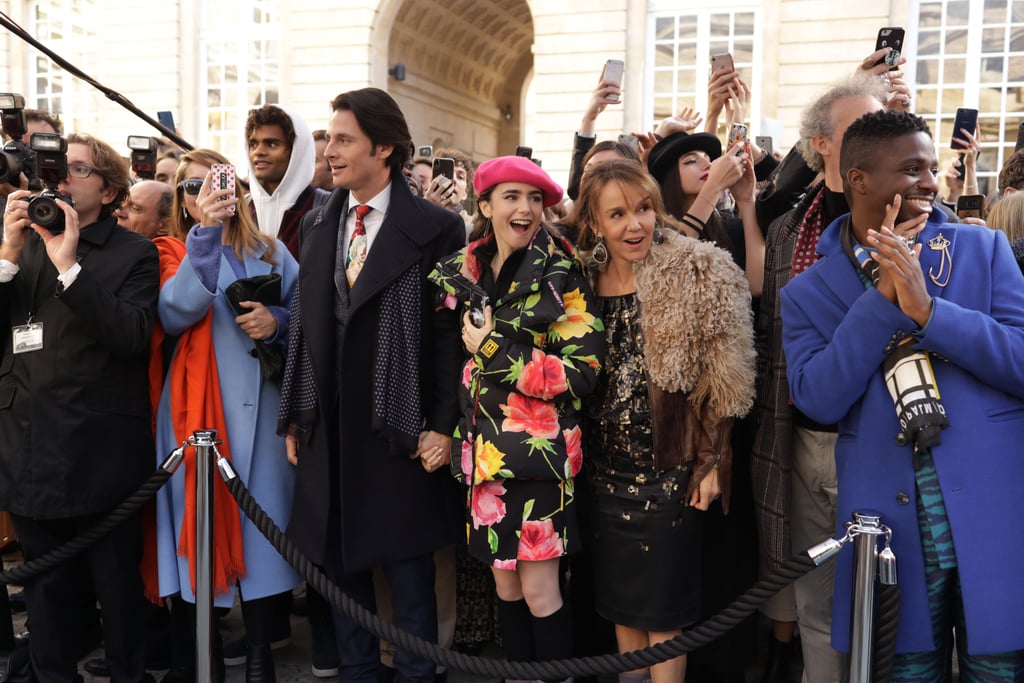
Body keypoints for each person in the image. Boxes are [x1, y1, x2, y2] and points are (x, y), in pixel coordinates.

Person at [781, 109, 1024, 679]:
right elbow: (817, 399)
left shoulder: (981, 251)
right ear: (858, 179)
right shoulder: (807, 291)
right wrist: (882, 300)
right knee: (907, 671)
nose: (931, 184)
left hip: (994, 511)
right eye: (912, 169)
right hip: (887, 529)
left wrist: (929, 312)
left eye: (933, 168)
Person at [277, 87, 465, 683]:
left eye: (342, 139)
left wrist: (440, 424)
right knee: (338, 576)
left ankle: (414, 675)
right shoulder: (317, 221)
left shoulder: (437, 228)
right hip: (327, 424)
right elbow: (308, 325)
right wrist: (298, 413)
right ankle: (357, 673)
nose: (328, 151)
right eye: (329, 138)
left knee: (408, 577)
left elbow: (446, 338)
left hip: (396, 424)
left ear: (383, 147)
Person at [568, 159, 754, 683]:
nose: (635, 225)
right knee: (621, 606)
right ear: (595, 223)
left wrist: (714, 464)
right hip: (602, 472)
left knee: (664, 615)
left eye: (645, 208)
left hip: (669, 469)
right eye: (619, 214)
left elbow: (728, 383)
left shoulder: (698, 271)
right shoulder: (578, 278)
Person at [428, 155, 603, 670]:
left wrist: (492, 352)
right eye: (511, 197)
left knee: (540, 591)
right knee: (504, 583)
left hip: (540, 459)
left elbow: (581, 373)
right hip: (482, 457)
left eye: (535, 199)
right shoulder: (464, 270)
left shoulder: (563, 274)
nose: (525, 208)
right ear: (484, 206)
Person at [1, 132, 159, 682]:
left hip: (103, 457)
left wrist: (69, 266)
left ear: (111, 191)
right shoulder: (21, 244)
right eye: (53, 165)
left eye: (77, 168)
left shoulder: (135, 254)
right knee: (44, 594)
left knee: (117, 592)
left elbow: (131, 336)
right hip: (28, 448)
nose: (62, 175)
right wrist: (6, 256)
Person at [751, 77, 889, 683]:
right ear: (821, 146)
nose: (873, 142)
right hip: (807, 438)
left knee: (896, 604)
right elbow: (771, 336)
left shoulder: (920, 230)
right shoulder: (788, 231)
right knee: (817, 602)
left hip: (892, 438)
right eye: (859, 130)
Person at [153, 147, 300, 682]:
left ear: (235, 188)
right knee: (198, 540)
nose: (205, 195)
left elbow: (306, 313)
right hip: (194, 424)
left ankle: (261, 657)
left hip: (262, 420)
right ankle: (203, 659)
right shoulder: (171, 249)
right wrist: (206, 240)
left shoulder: (272, 249)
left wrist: (277, 319)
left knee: (264, 539)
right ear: (182, 202)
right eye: (191, 189)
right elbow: (175, 311)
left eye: (214, 183)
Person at [645, 130, 764, 295]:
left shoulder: (728, 228)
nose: (708, 165)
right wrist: (714, 186)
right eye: (692, 161)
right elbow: (670, 262)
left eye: (708, 159)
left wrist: (746, 200)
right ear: (668, 176)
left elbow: (756, 287)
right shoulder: (653, 229)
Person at [245, 103, 331, 260]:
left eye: (271, 144)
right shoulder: (241, 210)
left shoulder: (326, 207)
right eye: (253, 144)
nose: (259, 152)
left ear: (295, 151)